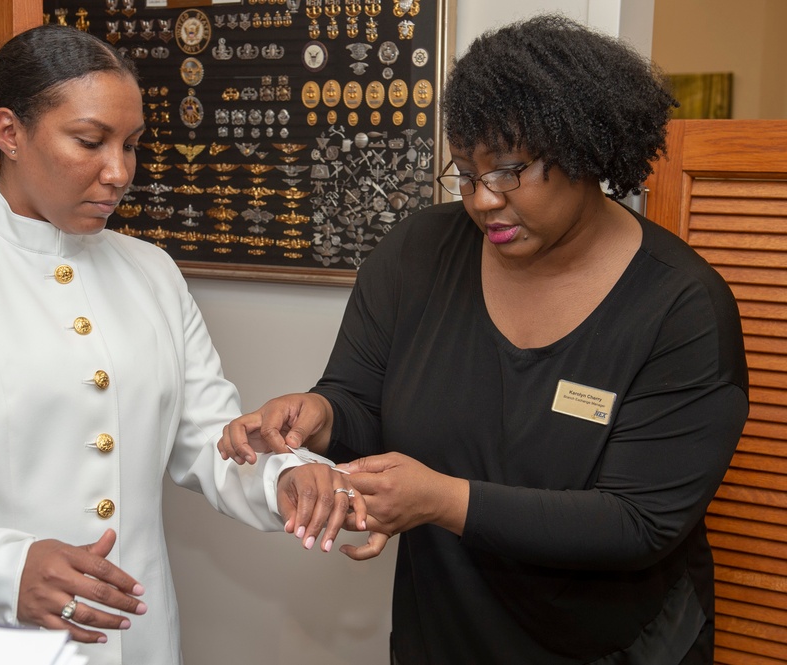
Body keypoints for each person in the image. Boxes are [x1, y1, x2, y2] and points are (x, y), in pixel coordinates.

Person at [220, 14, 749, 664]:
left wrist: (443, 499)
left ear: (584, 149)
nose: (482, 200)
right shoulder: (418, 254)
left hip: (613, 647)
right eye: (466, 174)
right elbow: (365, 402)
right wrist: (320, 416)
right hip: (445, 634)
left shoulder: (680, 307)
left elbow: (638, 521)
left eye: (507, 171)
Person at [0, 24, 356, 665]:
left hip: (135, 641)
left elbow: (214, 439)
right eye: (90, 141)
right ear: (9, 133)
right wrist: (7, 567)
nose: (119, 172)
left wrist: (296, 483)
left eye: (130, 145)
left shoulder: (151, 271)